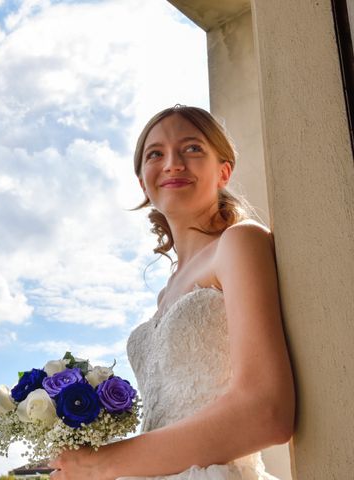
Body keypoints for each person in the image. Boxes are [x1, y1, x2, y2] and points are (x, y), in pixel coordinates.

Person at [49, 105, 296, 479]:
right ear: (143, 182)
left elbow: (266, 411)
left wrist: (103, 462)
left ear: (223, 172)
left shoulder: (239, 243)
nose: (173, 163)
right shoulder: (165, 295)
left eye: (193, 148)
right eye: (155, 154)